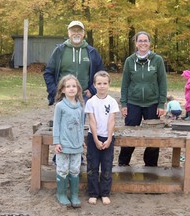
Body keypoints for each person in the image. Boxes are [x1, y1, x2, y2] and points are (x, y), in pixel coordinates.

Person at [43, 20, 104, 164]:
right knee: (62, 125)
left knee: (78, 125)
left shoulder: (91, 52)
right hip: (64, 97)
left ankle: (78, 155)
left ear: (83, 33)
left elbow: (101, 72)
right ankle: (59, 155)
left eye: (79, 31)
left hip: (83, 97)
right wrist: (55, 92)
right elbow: (48, 73)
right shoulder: (60, 50)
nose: (76, 33)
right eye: (73, 30)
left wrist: (93, 89)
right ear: (68, 33)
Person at [118, 31, 167, 167]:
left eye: (145, 40)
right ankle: (123, 164)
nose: (143, 43)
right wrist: (124, 103)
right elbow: (125, 83)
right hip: (133, 103)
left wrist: (161, 104)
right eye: (140, 41)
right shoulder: (129, 61)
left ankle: (151, 166)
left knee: (153, 137)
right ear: (136, 43)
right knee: (129, 135)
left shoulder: (157, 60)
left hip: (152, 103)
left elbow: (162, 82)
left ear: (150, 43)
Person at [84, 71, 119, 205]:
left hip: (108, 137)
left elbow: (112, 121)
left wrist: (109, 138)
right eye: (99, 83)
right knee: (92, 166)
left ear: (109, 84)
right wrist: (96, 140)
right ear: (94, 85)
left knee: (106, 166)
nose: (102, 86)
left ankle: (105, 193)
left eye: (105, 83)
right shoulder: (91, 102)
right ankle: (93, 193)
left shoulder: (112, 102)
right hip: (94, 137)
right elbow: (92, 121)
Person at [53, 75, 85, 207]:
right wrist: (56, 142)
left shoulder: (80, 107)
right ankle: (61, 194)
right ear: (62, 90)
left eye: (74, 86)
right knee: (62, 169)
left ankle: (74, 195)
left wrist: (82, 140)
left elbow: (81, 125)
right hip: (64, 144)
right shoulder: (60, 106)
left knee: (75, 169)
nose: (71, 89)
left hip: (76, 145)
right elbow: (56, 125)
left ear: (78, 89)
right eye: (68, 86)